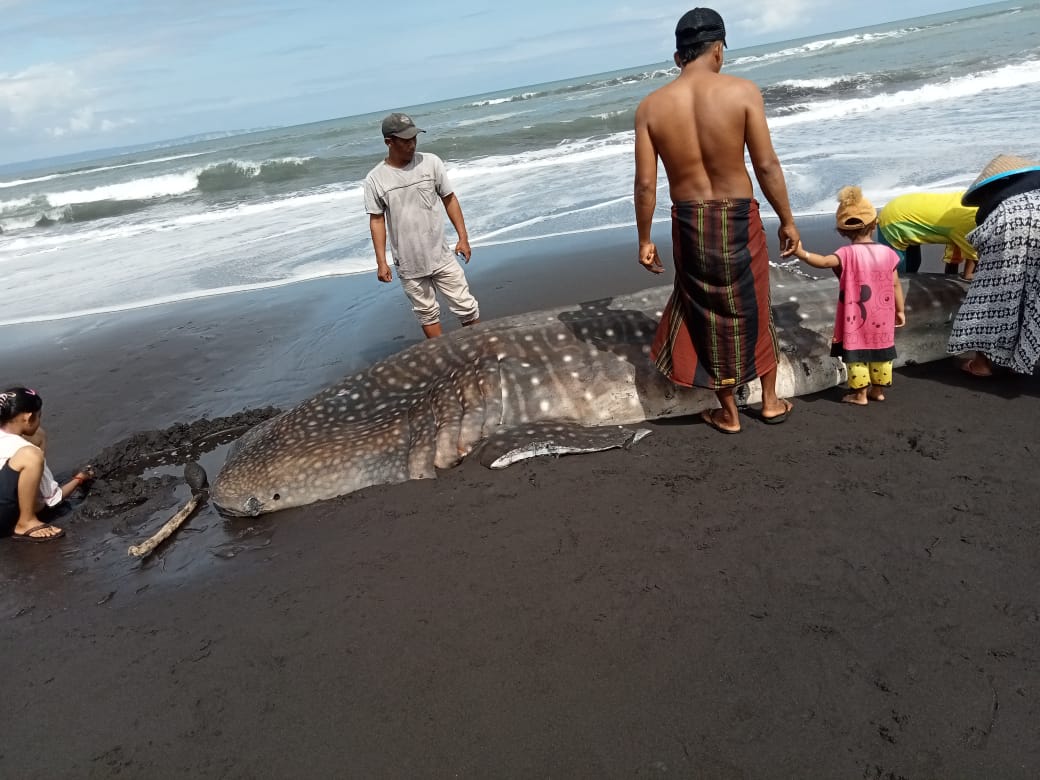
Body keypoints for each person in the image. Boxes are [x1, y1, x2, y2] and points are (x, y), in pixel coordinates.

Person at [634, 7, 800, 434]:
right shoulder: (742, 92)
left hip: (690, 220)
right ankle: (770, 401)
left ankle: (728, 412)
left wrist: (644, 238)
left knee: (706, 312)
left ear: (678, 57)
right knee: (754, 302)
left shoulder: (650, 108)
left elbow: (646, 184)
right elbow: (766, 165)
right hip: (738, 216)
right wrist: (787, 219)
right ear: (719, 50)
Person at [364, 112, 480, 339]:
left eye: (414, 138)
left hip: (440, 254)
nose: (412, 144)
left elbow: (449, 198)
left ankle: (481, 349)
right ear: (389, 142)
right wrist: (381, 262)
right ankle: (441, 355)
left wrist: (463, 238)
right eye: (405, 140)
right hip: (408, 262)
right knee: (426, 313)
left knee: (466, 305)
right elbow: (376, 220)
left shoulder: (431, 163)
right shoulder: (375, 179)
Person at [793, 187, 906, 405]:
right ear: (875, 224)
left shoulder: (846, 254)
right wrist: (900, 310)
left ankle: (860, 394)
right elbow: (895, 285)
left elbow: (823, 262)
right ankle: (878, 391)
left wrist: (801, 253)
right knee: (882, 352)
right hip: (882, 316)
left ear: (842, 231)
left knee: (857, 354)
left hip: (856, 317)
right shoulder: (888, 253)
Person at [948, 154, 1040, 377]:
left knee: (995, 297)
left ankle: (983, 365)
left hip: (1010, 228)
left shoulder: (1006, 207)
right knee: (1033, 298)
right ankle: (1018, 356)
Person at [1, 387, 93, 542]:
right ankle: (26, 521)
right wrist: (80, 478)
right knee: (31, 456)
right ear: (29, 417)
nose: (39, 421)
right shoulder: (23, 449)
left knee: (38, 435)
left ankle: (31, 487)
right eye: (39, 416)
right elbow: (53, 499)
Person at [877, 191, 978, 278]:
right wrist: (968, 275)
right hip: (893, 221)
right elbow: (975, 254)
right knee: (897, 274)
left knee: (913, 264)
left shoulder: (970, 202)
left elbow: (954, 255)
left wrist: (950, 276)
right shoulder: (969, 220)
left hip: (904, 208)